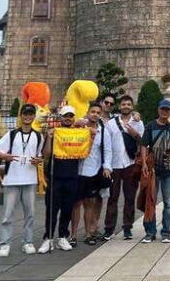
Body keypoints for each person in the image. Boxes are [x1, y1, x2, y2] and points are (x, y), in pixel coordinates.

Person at [0, 103, 44, 257]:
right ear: (21, 116)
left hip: (29, 179)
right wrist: (4, 156)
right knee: (8, 213)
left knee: (30, 214)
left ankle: (27, 242)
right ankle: (5, 243)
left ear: (34, 116)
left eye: (30, 114)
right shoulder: (12, 134)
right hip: (12, 179)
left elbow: (39, 155)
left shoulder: (38, 136)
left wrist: (38, 160)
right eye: (25, 114)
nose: (28, 117)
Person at [39, 105, 83, 253]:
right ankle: (48, 237)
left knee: (67, 208)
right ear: (60, 118)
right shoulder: (54, 132)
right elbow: (46, 154)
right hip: (55, 175)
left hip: (71, 175)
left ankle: (63, 235)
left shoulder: (78, 133)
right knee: (52, 208)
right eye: (65, 116)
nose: (68, 118)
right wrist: (49, 138)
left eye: (70, 116)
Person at [70, 101, 113, 246]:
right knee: (76, 203)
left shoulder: (103, 131)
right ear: (88, 113)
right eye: (93, 112)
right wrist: (77, 125)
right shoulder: (79, 127)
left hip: (92, 170)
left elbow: (108, 150)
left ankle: (89, 233)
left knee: (90, 203)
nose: (95, 115)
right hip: (77, 169)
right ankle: (73, 234)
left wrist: (107, 167)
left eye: (98, 113)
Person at [104, 95, 144, 240]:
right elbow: (107, 146)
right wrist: (106, 165)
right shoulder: (111, 124)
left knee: (129, 198)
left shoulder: (138, 122)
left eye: (128, 104)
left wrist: (135, 134)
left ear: (132, 107)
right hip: (114, 165)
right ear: (120, 106)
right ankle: (109, 228)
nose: (126, 106)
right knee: (112, 198)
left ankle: (127, 227)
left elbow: (143, 142)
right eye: (123, 104)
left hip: (130, 163)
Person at [139, 98, 170, 243]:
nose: (164, 112)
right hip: (153, 170)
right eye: (162, 109)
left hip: (168, 170)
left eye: (167, 109)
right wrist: (144, 162)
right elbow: (144, 145)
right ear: (158, 110)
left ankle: (166, 232)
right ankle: (150, 232)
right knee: (151, 201)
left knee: (168, 203)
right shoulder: (150, 126)